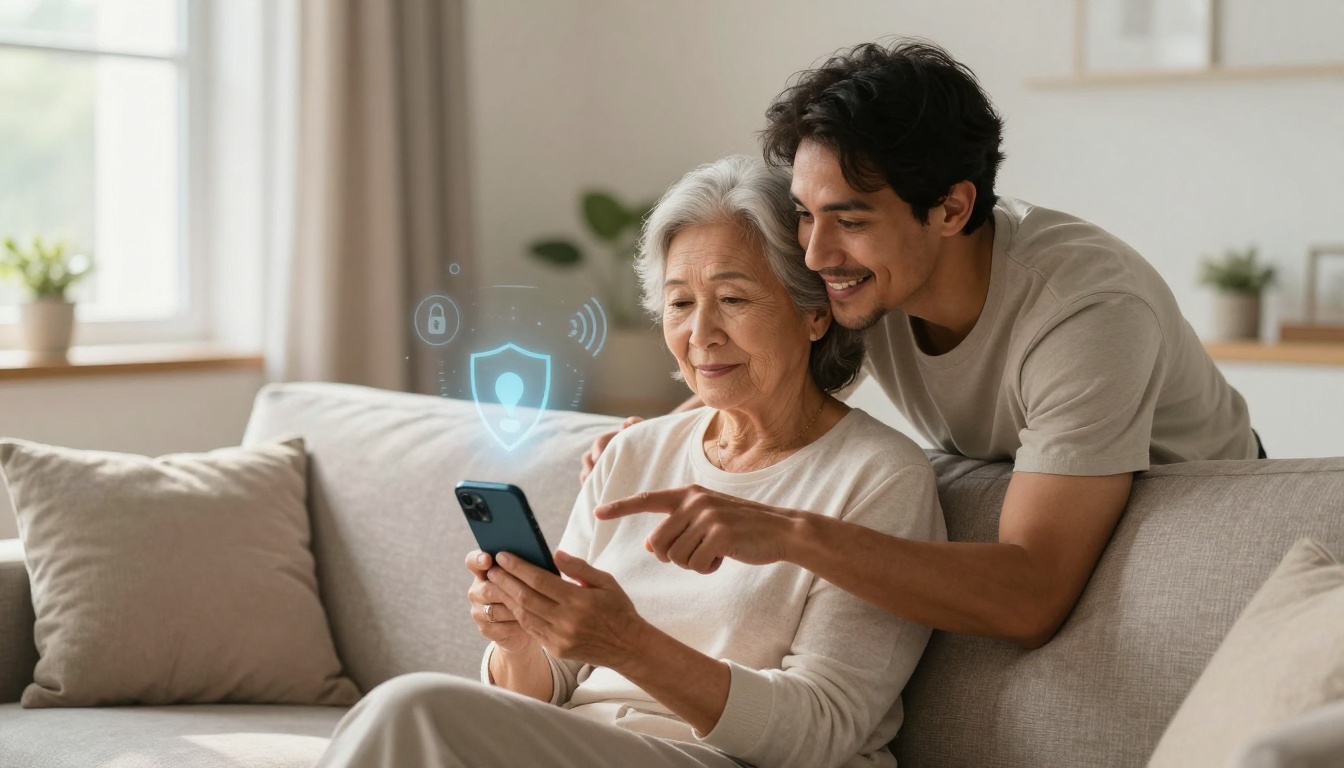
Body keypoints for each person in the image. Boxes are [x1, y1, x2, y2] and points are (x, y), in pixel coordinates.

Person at [586, 40, 1261, 649]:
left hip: (1199, 519)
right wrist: (661, 443)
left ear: (951, 209)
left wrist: (788, 532)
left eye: (849, 220)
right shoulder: (870, 277)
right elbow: (771, 367)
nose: (815, 255)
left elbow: (1030, 598)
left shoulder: (1085, 312)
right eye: (805, 215)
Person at [316, 156, 946, 768]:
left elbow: (822, 732)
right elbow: (553, 681)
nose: (700, 333)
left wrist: (632, 646)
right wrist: (519, 641)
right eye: (679, 303)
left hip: (722, 759)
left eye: (733, 299)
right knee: (414, 714)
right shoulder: (635, 453)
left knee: (410, 709)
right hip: (583, 744)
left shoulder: (878, 477)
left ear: (814, 314)